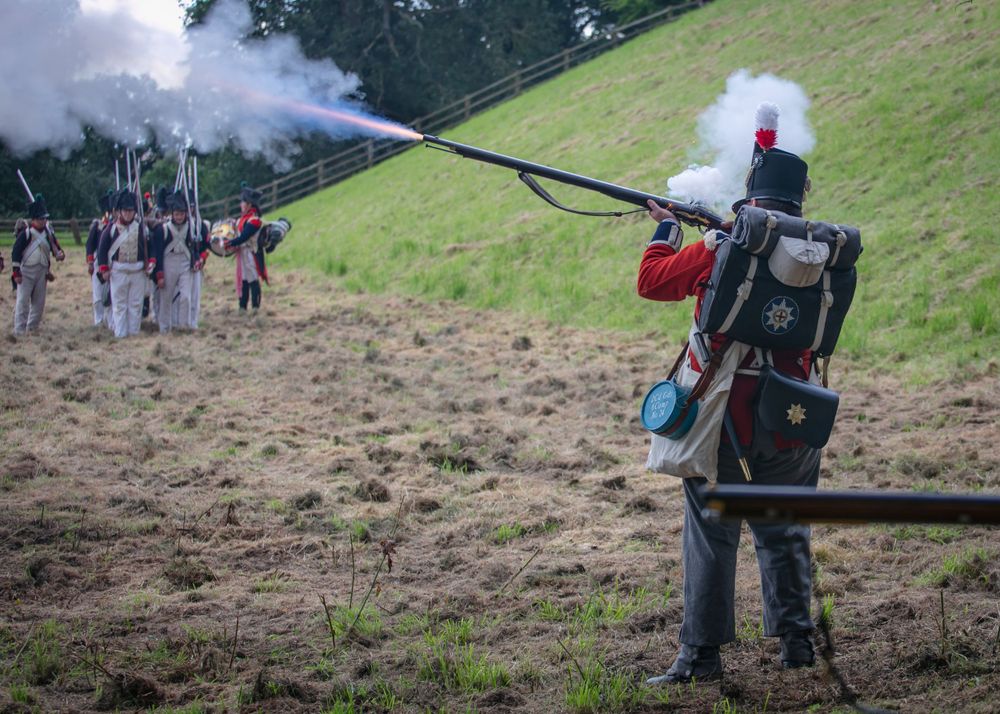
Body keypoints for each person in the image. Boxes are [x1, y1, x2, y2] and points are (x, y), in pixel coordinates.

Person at [639, 111, 822, 683]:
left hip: (726, 421)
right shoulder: (821, 250)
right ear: (801, 197)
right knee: (785, 528)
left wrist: (667, 229)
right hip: (795, 416)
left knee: (711, 537)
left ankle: (700, 657)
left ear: (751, 195)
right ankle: (797, 646)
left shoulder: (720, 246)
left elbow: (652, 281)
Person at [97, 190, 154, 338]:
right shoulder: (110, 230)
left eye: (131, 211)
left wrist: (151, 263)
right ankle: (120, 334)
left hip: (138, 270)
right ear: (119, 211)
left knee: (135, 304)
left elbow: (150, 247)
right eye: (125, 211)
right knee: (119, 305)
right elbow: (102, 250)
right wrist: (104, 269)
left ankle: (133, 333)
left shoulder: (142, 228)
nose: (128, 214)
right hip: (118, 270)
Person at [11, 194, 64, 335]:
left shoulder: (48, 234)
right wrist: (16, 272)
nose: (43, 220)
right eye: (41, 218)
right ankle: (19, 331)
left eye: (44, 218)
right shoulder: (26, 234)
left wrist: (59, 254)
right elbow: (16, 253)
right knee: (22, 302)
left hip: (42, 272)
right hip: (26, 272)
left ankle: (32, 328)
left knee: (39, 304)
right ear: (34, 219)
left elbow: (57, 249)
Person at [151, 191, 203, 333]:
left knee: (186, 296)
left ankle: (183, 327)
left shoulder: (192, 228)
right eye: (177, 214)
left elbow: (195, 249)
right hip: (169, 261)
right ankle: (164, 328)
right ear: (172, 214)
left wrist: (197, 260)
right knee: (166, 297)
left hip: (185, 262)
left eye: (181, 214)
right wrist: (160, 274)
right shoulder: (164, 230)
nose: (179, 217)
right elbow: (159, 253)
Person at [224, 182, 268, 315]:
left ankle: (255, 308)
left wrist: (230, 243)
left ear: (249, 204)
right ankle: (242, 307)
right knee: (243, 280)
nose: (241, 205)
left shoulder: (254, 220)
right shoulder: (241, 220)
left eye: (243, 202)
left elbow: (244, 237)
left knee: (253, 280)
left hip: (251, 253)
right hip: (243, 253)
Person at [86, 190, 115, 328]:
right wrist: (91, 263)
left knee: (111, 296)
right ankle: (98, 321)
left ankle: (110, 323)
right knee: (98, 296)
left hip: (114, 263)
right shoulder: (98, 226)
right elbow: (90, 245)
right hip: (99, 263)